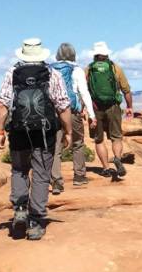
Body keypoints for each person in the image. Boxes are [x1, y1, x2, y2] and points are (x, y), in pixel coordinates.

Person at [0, 38, 72, 240]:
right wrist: (68, 131)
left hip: (19, 130)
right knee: (41, 173)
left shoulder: (12, 73)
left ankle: (20, 208)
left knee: (19, 169)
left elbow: (3, 104)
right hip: (44, 132)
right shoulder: (51, 73)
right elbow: (63, 105)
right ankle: (36, 222)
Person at [48, 43, 95, 192]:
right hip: (72, 112)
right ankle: (79, 176)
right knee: (78, 143)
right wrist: (91, 114)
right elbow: (84, 92)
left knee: (56, 147)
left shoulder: (49, 69)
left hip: (54, 112)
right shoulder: (77, 70)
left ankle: (56, 181)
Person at [86, 42, 133, 181]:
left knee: (99, 140)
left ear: (95, 54)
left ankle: (106, 168)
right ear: (107, 53)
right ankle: (117, 159)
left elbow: (83, 91)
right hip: (113, 106)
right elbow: (126, 90)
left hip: (95, 108)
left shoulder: (89, 69)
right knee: (116, 137)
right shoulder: (115, 68)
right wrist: (129, 106)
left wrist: (85, 108)